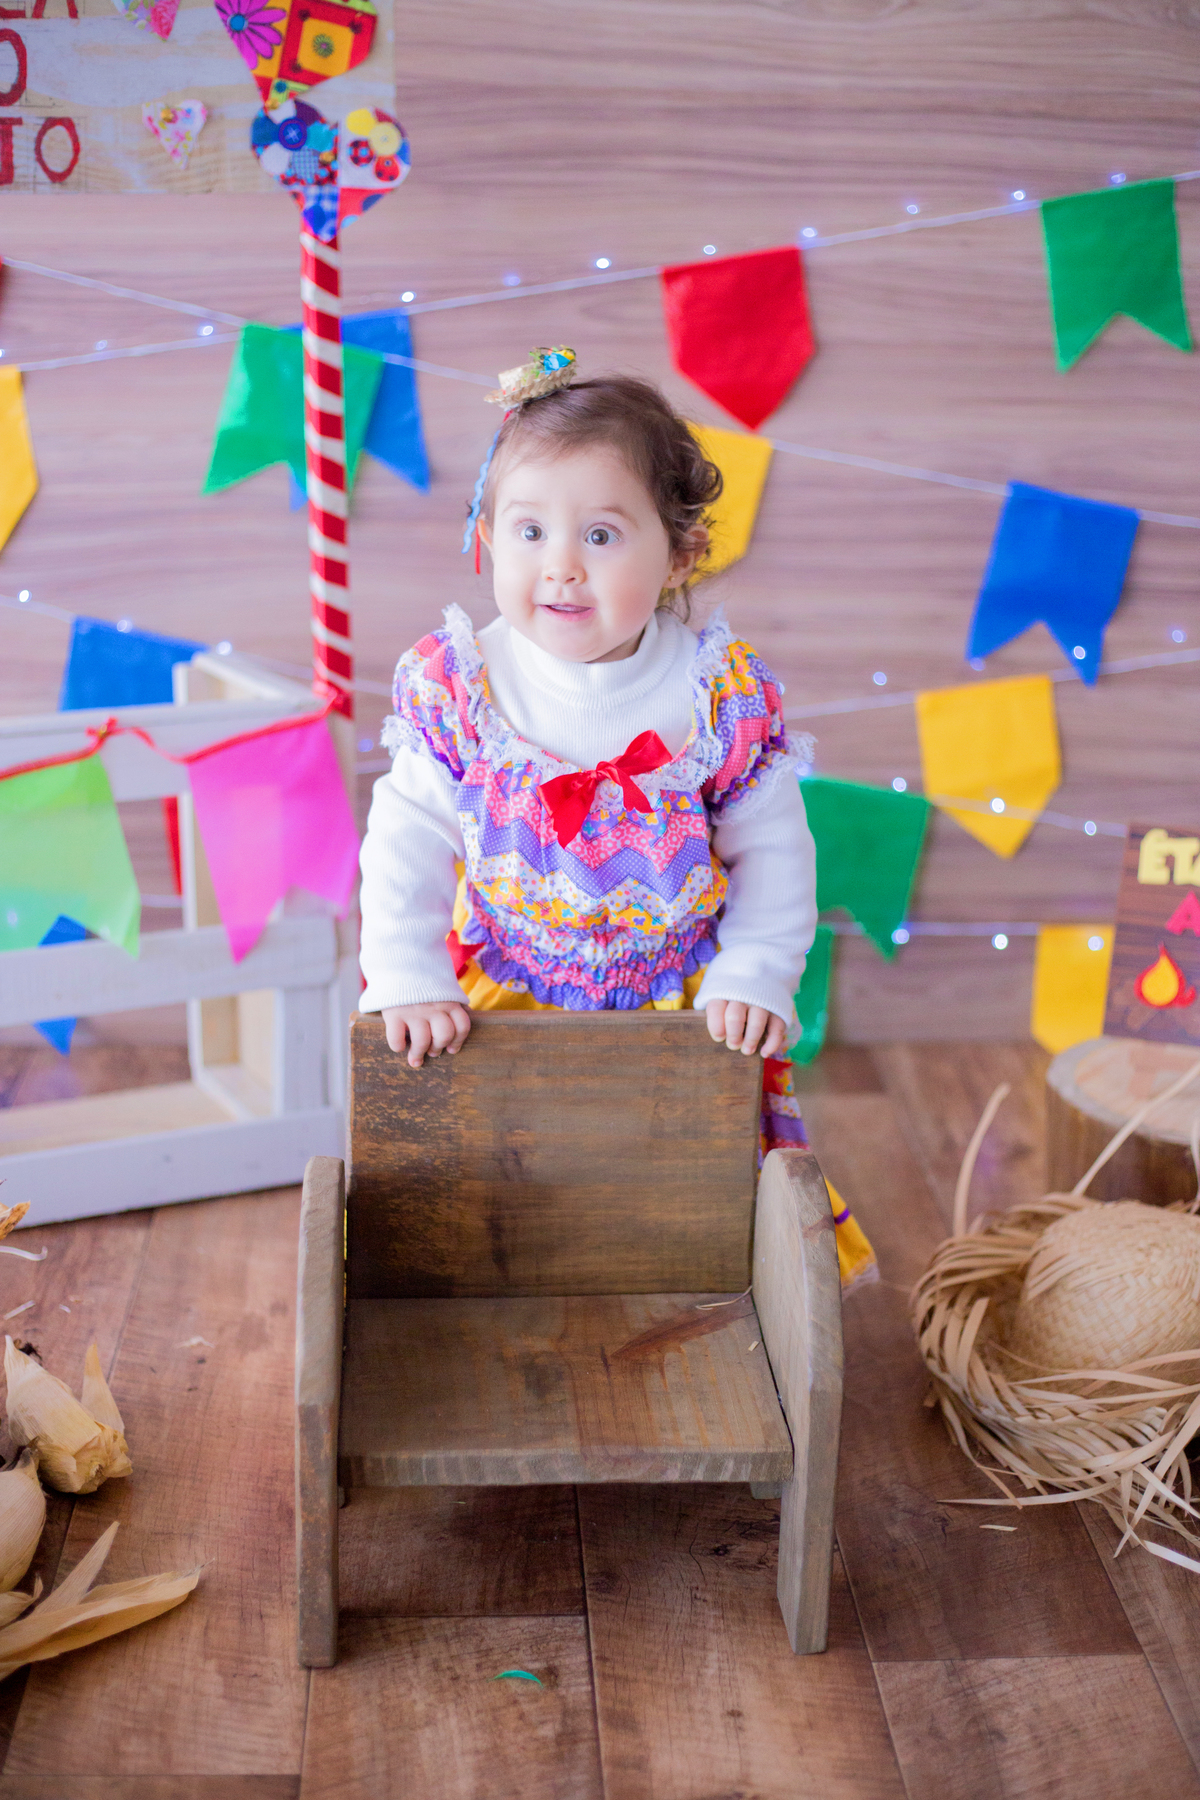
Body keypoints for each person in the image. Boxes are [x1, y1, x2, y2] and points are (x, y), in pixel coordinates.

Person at [359, 347, 874, 1288]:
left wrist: (755, 972)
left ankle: (699, 1275)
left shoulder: (713, 695)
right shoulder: (466, 684)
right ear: (486, 538)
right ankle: (498, 1274)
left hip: (676, 994)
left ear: (681, 553)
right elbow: (407, 837)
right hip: (508, 979)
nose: (560, 566)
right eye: (529, 531)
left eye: (600, 535)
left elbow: (773, 849)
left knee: (684, 1169)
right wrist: (407, 971)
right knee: (489, 1155)